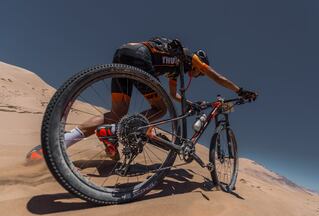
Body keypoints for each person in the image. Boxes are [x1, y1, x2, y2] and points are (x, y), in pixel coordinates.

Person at [57, 37, 257, 160]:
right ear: (200, 64)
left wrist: (188, 103)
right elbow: (217, 77)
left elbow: (173, 95)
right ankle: (119, 131)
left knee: (118, 112)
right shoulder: (191, 57)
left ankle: (64, 141)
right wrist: (239, 91)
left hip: (123, 52)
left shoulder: (175, 70)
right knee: (160, 109)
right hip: (141, 57)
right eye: (200, 72)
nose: (199, 75)